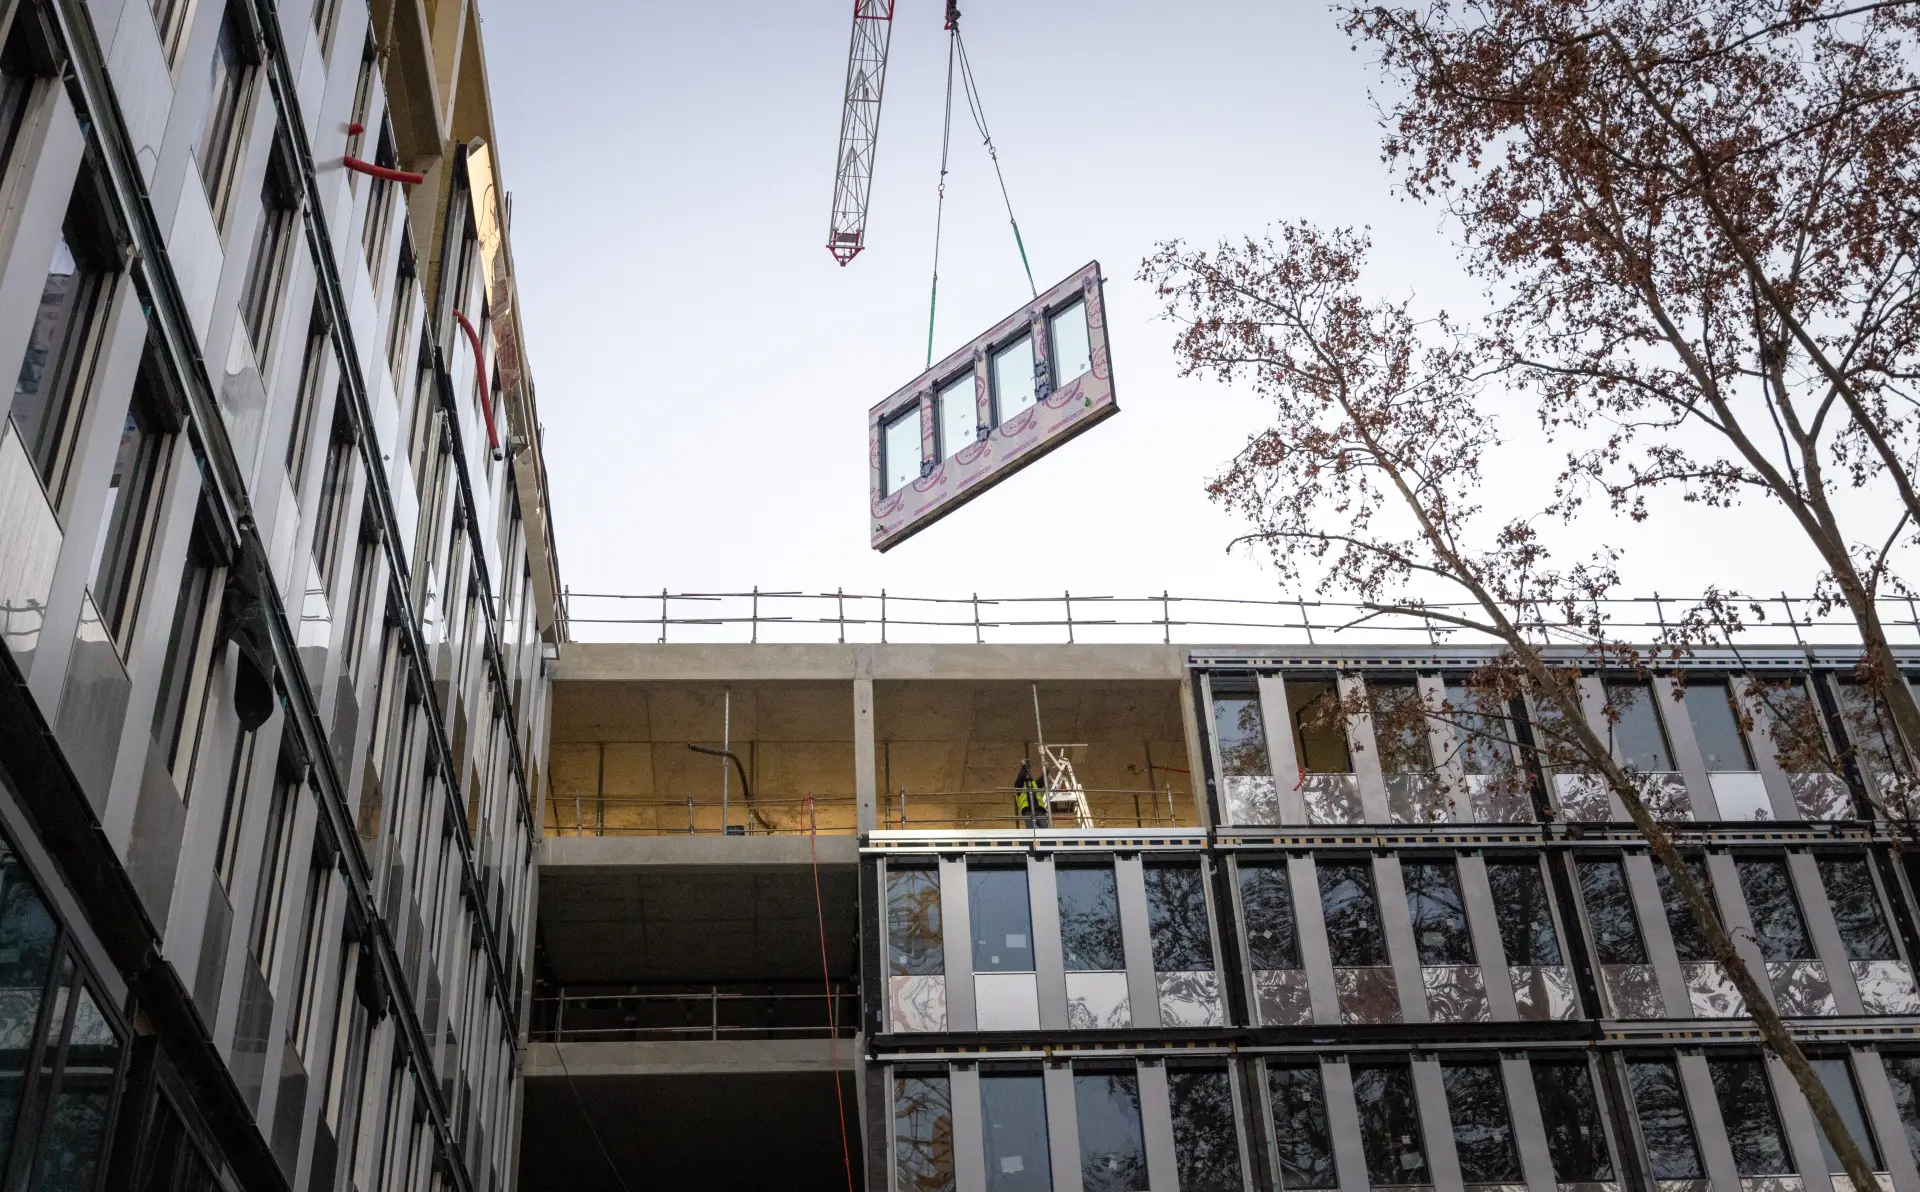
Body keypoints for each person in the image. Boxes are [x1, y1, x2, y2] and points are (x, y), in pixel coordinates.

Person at [1013, 758, 1048, 828]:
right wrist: (1023, 766)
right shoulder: (1019, 785)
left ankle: (1046, 839)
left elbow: (1043, 780)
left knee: (1044, 829)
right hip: (1027, 810)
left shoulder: (1034, 783)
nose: (1027, 774)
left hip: (1039, 809)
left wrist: (1046, 769)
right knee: (1030, 830)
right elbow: (1021, 776)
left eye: (1028, 773)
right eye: (1026, 773)